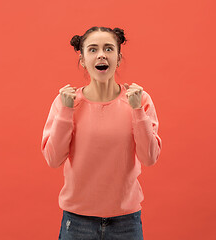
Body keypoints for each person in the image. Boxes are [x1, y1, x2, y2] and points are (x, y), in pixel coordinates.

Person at [41, 26, 162, 240]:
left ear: (118, 56)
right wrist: (66, 111)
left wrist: (137, 111)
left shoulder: (140, 100)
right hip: (77, 221)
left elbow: (149, 157)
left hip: (126, 221)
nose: (101, 55)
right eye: (93, 49)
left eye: (108, 48)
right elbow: (53, 159)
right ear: (82, 59)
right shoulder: (66, 102)